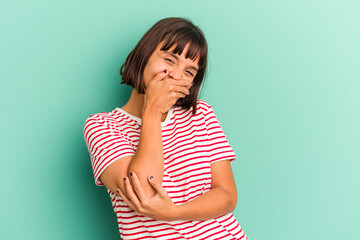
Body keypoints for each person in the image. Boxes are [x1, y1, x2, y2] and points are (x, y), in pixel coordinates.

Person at [83, 17, 248, 240]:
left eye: (189, 72)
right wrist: (152, 111)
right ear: (144, 56)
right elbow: (144, 192)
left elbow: (227, 195)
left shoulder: (201, 113)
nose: (176, 75)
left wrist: (174, 212)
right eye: (170, 60)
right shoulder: (102, 126)